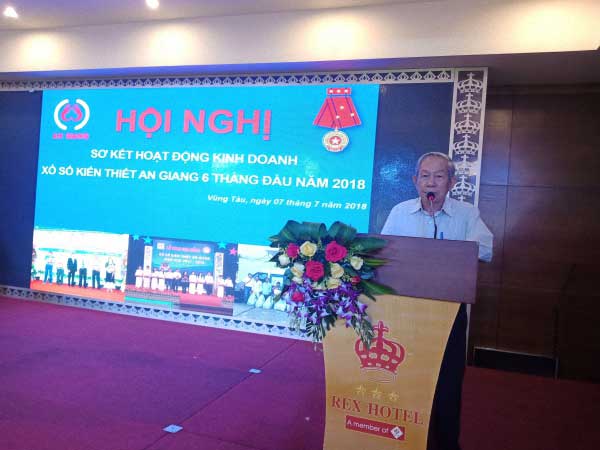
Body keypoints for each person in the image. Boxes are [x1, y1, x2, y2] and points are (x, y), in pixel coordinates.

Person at [381, 151, 493, 450]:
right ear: (415, 180)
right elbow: (383, 251)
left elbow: (486, 249)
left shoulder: (467, 214)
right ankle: (403, 439)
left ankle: (445, 443)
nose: (431, 182)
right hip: (406, 310)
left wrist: (449, 252)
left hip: (448, 312)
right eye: (425, 176)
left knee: (447, 382)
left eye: (439, 176)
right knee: (405, 376)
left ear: (451, 182)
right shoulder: (400, 212)